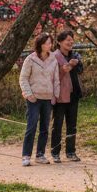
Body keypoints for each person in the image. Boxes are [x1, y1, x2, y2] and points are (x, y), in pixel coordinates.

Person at [19, 32, 60, 166]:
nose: (50, 45)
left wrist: (55, 95)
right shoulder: (30, 59)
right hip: (34, 98)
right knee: (31, 126)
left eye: (50, 42)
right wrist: (28, 94)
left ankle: (40, 154)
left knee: (44, 128)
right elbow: (23, 78)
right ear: (40, 44)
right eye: (47, 43)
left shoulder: (53, 59)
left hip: (48, 98)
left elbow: (56, 79)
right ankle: (26, 155)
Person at [51, 29, 84, 163]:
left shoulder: (75, 55)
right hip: (59, 95)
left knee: (72, 124)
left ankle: (71, 152)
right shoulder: (53, 57)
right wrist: (63, 69)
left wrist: (76, 64)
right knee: (57, 124)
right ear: (59, 42)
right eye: (67, 40)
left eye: (72, 40)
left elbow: (81, 71)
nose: (70, 42)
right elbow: (52, 77)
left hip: (73, 93)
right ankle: (55, 152)